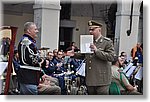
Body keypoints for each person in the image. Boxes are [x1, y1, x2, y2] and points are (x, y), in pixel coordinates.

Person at [67, 20, 116, 95]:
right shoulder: (88, 41)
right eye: (89, 29)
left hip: (101, 79)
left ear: (99, 30)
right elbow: (85, 55)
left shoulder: (106, 42)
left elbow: (111, 57)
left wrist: (96, 51)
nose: (90, 31)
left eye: (93, 29)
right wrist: (74, 54)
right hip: (90, 77)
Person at [17, 22, 41, 95]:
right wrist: (41, 59)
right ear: (28, 31)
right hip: (28, 78)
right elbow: (30, 60)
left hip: (30, 77)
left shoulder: (29, 42)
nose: (37, 31)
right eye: (35, 29)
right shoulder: (26, 42)